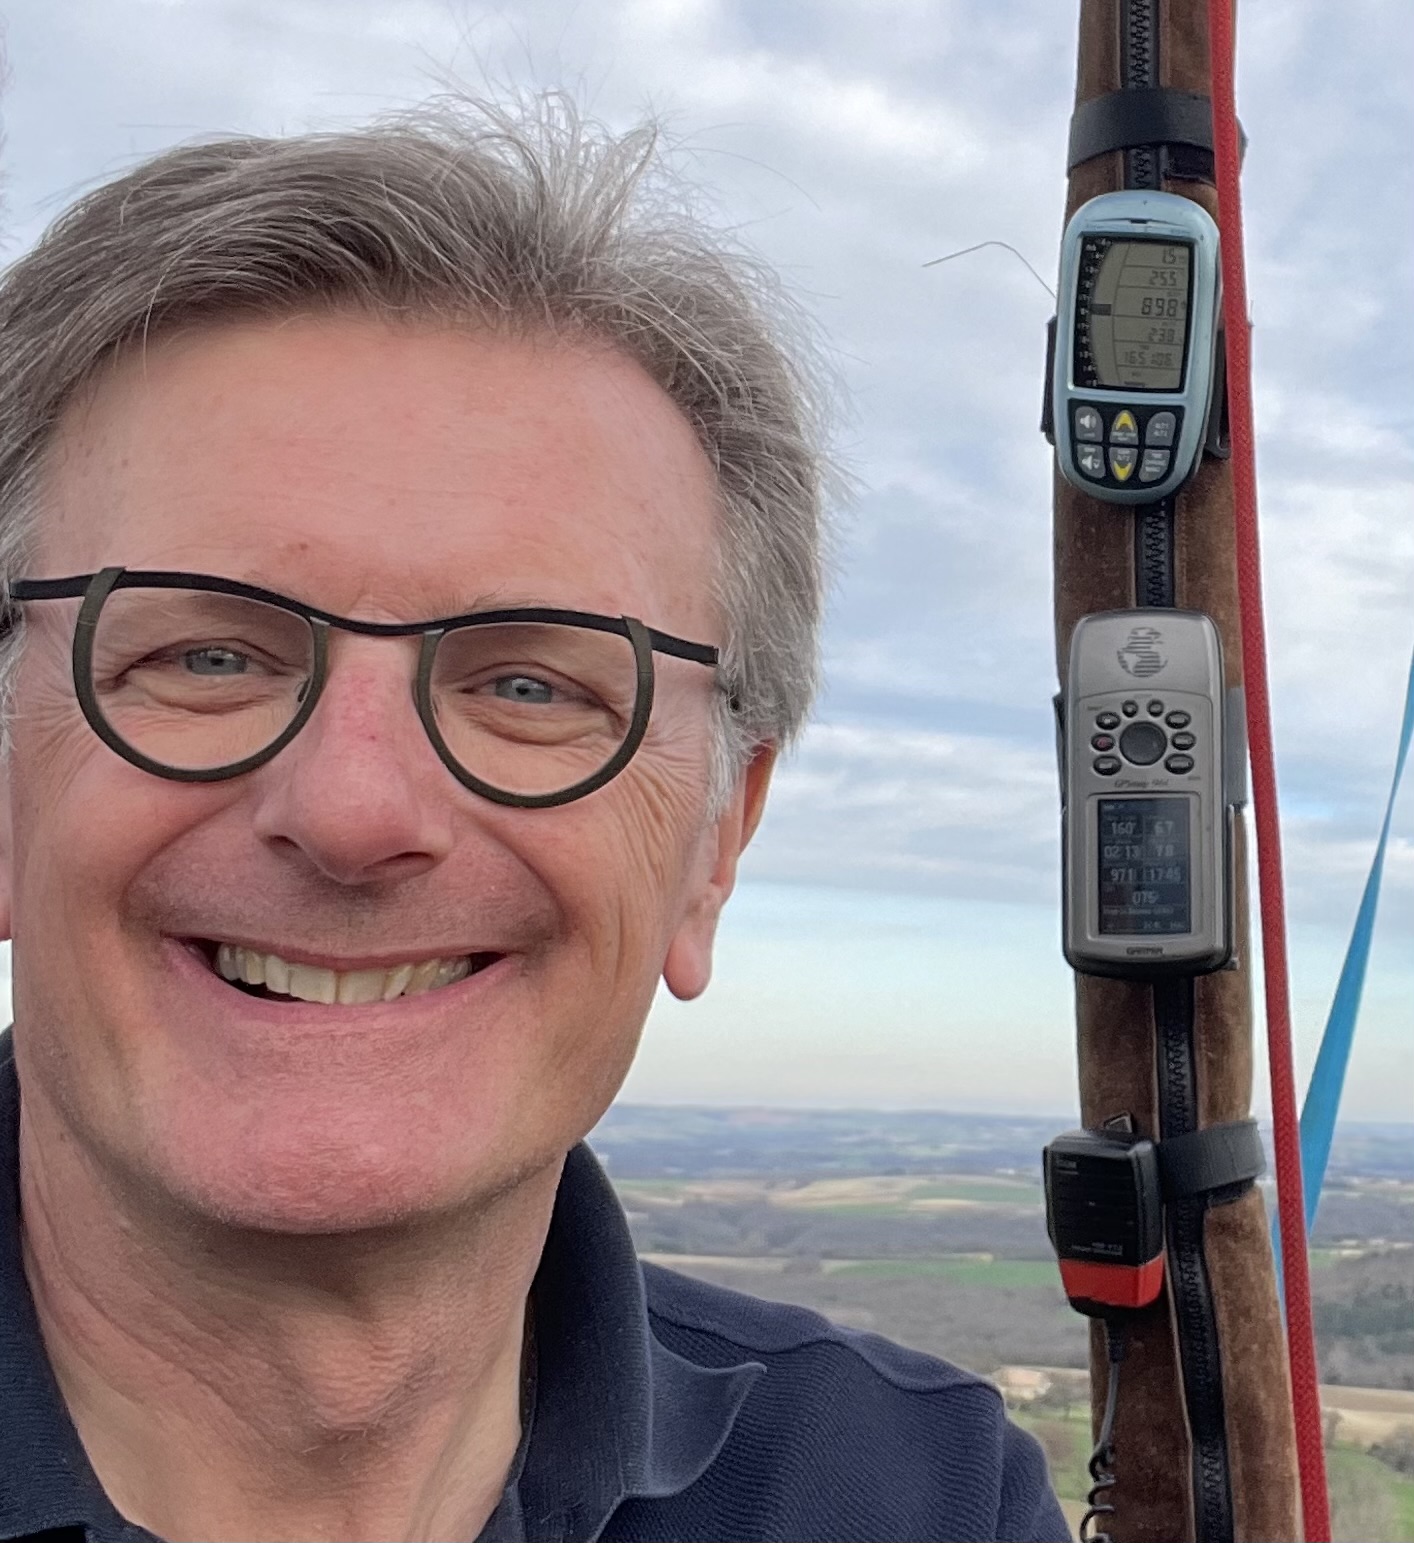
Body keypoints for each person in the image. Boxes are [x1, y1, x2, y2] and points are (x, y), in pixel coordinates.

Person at [0, 99, 1069, 1543]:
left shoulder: (912, 1496)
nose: (354, 810)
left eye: (529, 686)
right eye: (205, 657)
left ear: (712, 850)